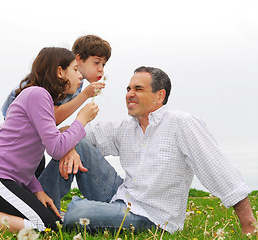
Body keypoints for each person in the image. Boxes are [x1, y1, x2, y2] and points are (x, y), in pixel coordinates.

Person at [38, 66, 257, 234]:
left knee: (78, 213)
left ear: (159, 96)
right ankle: (37, 208)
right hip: (119, 197)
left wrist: (248, 223)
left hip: (153, 216)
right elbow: (67, 132)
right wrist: (71, 146)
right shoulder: (126, 127)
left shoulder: (182, 124)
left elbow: (218, 169)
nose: (130, 94)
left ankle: (56, 217)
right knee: (76, 141)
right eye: (128, 89)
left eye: (138, 89)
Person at [0, 47, 99, 236]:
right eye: (74, 69)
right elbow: (56, 149)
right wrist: (81, 120)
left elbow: (24, 160)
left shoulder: (41, 97)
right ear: (59, 71)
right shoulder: (38, 95)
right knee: (44, 227)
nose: (79, 76)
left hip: (6, 179)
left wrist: (38, 190)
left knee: (55, 223)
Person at [2, 34, 111, 178]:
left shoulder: (75, 83)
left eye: (103, 64)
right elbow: (53, 116)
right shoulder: (60, 80)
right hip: (20, 130)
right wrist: (85, 96)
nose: (101, 70)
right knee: (26, 167)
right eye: (96, 62)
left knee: (34, 167)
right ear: (79, 59)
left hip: (34, 133)